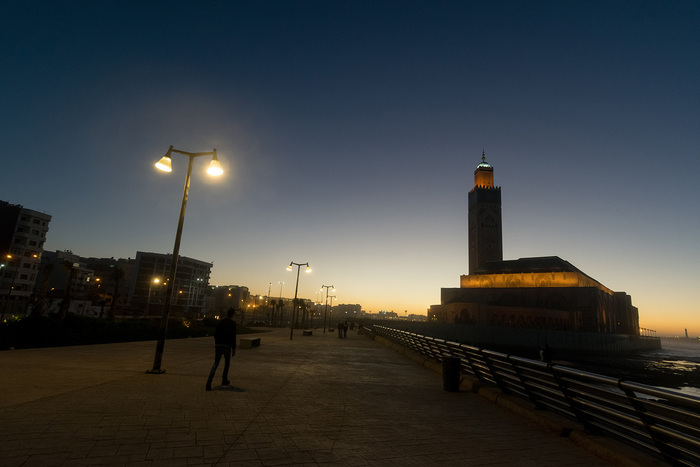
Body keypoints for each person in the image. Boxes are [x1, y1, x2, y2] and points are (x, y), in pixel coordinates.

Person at [206, 307, 237, 391]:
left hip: (218, 345)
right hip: (227, 346)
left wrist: (217, 342)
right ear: (233, 314)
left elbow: (215, 334)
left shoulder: (220, 322)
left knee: (216, 363)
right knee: (227, 363)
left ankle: (209, 381)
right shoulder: (232, 323)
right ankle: (224, 379)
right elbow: (233, 337)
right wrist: (233, 349)